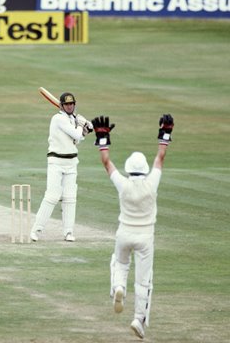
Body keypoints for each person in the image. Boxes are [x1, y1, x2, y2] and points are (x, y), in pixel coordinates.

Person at [91, 114, 174, 340]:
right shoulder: (151, 183)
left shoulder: (123, 184)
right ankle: (138, 319)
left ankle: (119, 287)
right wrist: (165, 132)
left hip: (124, 233)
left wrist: (103, 138)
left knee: (119, 263)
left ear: (129, 169)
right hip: (145, 237)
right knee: (144, 281)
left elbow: (106, 163)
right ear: (144, 170)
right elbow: (161, 157)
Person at [30, 93, 93, 242]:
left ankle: (68, 232)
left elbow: (77, 140)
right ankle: (36, 230)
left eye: (72, 104)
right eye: (67, 104)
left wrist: (86, 130)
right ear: (62, 106)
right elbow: (75, 134)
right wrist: (80, 125)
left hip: (71, 162)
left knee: (70, 198)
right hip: (56, 162)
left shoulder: (72, 119)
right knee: (52, 196)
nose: (70, 106)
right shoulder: (57, 119)